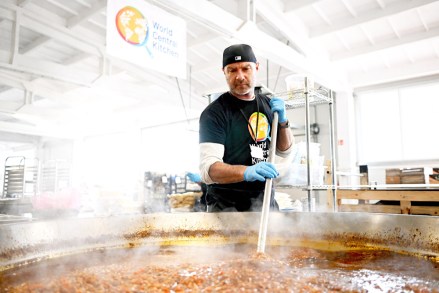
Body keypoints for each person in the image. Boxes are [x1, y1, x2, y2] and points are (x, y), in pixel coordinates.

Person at [199, 44, 294, 212]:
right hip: (227, 209)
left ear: (256, 67)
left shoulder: (268, 105)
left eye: (246, 68)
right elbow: (209, 169)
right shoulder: (214, 113)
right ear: (224, 72)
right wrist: (246, 172)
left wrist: (283, 123)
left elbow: (284, 151)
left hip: (265, 204)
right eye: (232, 70)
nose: (240, 76)